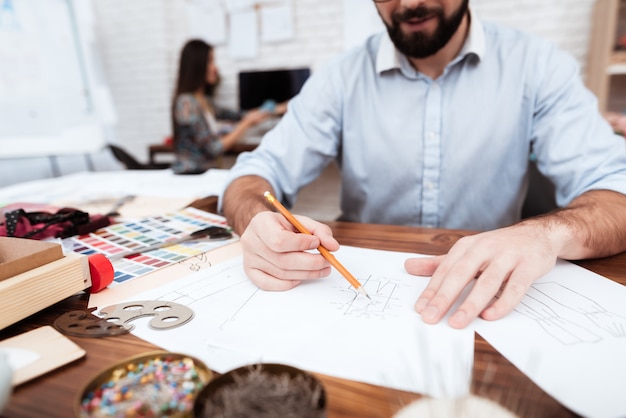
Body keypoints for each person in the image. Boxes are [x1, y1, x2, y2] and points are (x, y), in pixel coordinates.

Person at [220, 0, 626, 329]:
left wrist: (544, 233)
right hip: (359, 304)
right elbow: (252, 176)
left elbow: (618, 189)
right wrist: (257, 218)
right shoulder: (340, 77)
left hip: (489, 306)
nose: (411, 3)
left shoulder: (537, 66)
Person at [170, 39, 273, 174]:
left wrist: (275, 109)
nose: (215, 68)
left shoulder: (204, 101)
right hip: (192, 175)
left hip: (206, 173)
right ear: (197, 65)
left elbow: (238, 115)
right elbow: (212, 148)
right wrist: (245, 124)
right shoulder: (186, 103)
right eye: (210, 61)